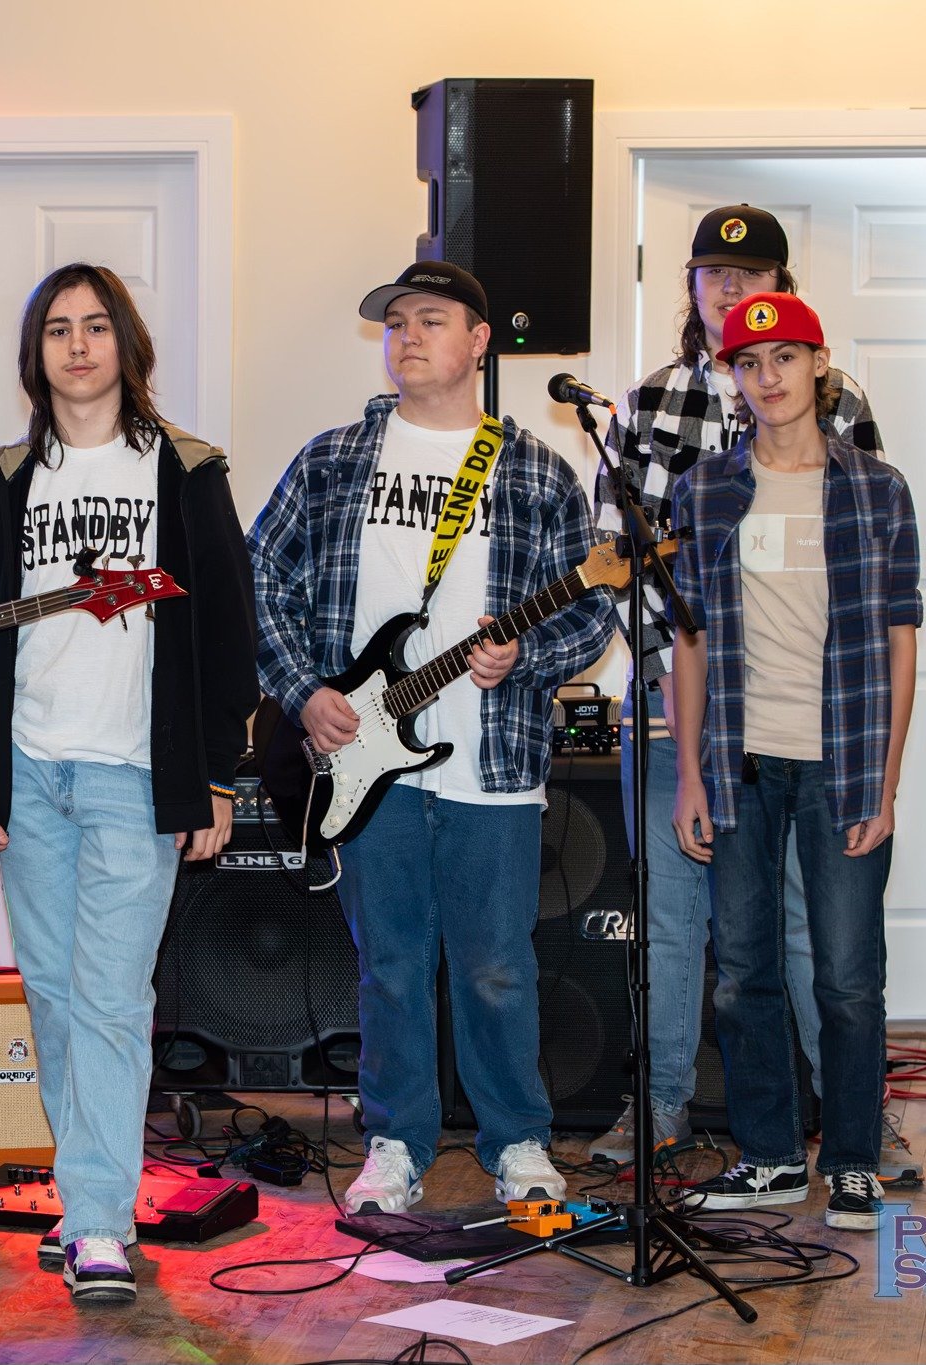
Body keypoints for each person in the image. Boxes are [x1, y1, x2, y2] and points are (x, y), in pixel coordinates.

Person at [247, 261, 612, 1215]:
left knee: (497, 965)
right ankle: (395, 1142)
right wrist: (304, 691)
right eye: (395, 322)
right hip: (368, 766)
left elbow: (594, 615)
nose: (407, 335)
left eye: (431, 320)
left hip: (492, 761)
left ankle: (519, 1141)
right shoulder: (332, 460)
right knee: (392, 966)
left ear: (480, 340)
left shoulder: (533, 468)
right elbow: (258, 586)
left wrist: (523, 654)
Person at [0, 263, 258, 1304]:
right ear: (35, 355)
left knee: (114, 998)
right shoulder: (3, 479)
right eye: (56, 331)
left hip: (133, 774)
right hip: (28, 774)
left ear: (126, 343)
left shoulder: (186, 470)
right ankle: (89, 1203)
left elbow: (226, 634)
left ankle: (93, 1221)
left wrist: (213, 778)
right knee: (55, 995)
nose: (76, 346)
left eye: (94, 327)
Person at [588, 204, 914, 1181]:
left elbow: (871, 591)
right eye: (711, 273)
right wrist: (688, 684)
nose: (729, 288)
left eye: (750, 271)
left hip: (827, 737)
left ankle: (854, 1127)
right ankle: (659, 1110)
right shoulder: (646, 410)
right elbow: (628, 564)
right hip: (686, 715)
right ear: (689, 286)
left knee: (828, 950)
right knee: (690, 935)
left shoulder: (846, 411)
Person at [669, 293, 919, 1233]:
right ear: (732, 378)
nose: (767, 377)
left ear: (819, 364)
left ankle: (852, 1160)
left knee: (849, 976)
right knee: (740, 971)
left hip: (841, 764)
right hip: (739, 762)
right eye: (747, 362)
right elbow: (686, 644)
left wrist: (885, 784)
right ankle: (771, 1153)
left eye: (784, 357)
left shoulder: (876, 488)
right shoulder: (705, 490)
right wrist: (690, 773)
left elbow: (901, 641)